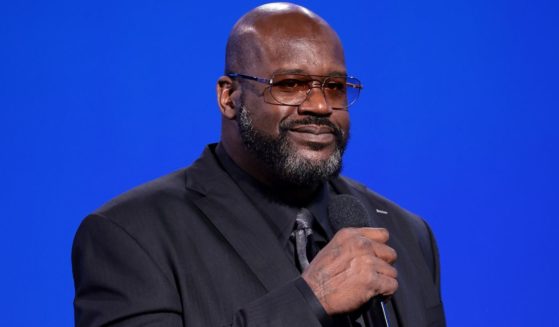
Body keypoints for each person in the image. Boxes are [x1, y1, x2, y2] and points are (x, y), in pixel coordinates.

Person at [72, 3, 445, 326]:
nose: (319, 106)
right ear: (229, 97)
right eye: (290, 84)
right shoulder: (130, 234)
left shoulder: (406, 233)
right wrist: (310, 299)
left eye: (334, 87)